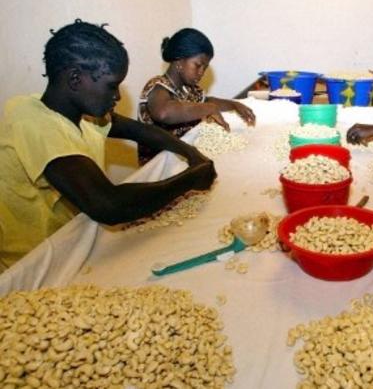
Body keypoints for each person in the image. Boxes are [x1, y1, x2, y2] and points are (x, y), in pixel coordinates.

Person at [0, 20, 217, 269]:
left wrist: (191, 153)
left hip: (74, 240)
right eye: (112, 86)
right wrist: (191, 180)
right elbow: (109, 205)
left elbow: (141, 131)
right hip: (35, 265)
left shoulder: (81, 113)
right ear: (75, 80)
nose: (118, 97)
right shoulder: (33, 122)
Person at [137, 28, 255, 164]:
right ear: (179, 61)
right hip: (159, 170)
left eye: (205, 68)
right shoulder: (157, 87)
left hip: (183, 161)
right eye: (198, 65)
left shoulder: (190, 89)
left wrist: (234, 104)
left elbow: (205, 102)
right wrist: (209, 108)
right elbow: (163, 112)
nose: (201, 72)